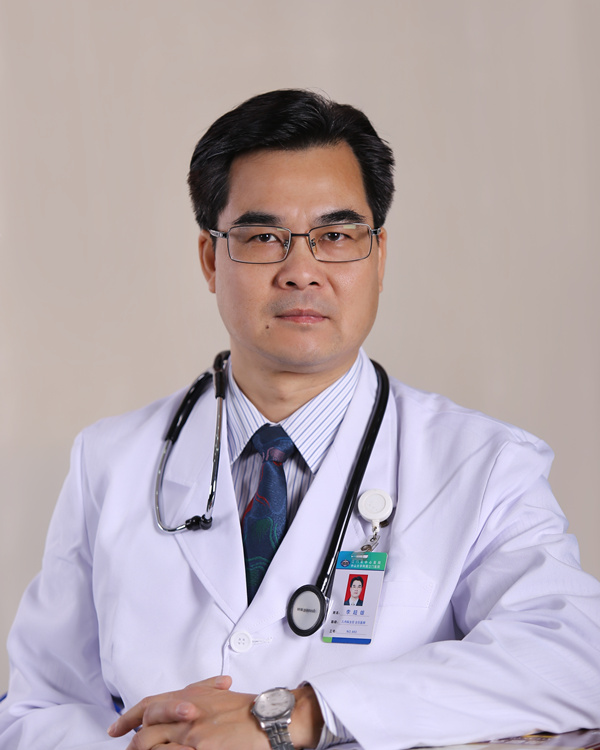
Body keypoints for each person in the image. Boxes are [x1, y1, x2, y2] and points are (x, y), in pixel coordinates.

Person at [1, 89, 599, 750]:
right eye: (263, 238)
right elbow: (36, 710)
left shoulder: (483, 464)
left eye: (336, 236)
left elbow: (576, 656)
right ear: (210, 259)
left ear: (378, 256)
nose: (301, 271)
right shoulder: (111, 460)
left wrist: (298, 714)